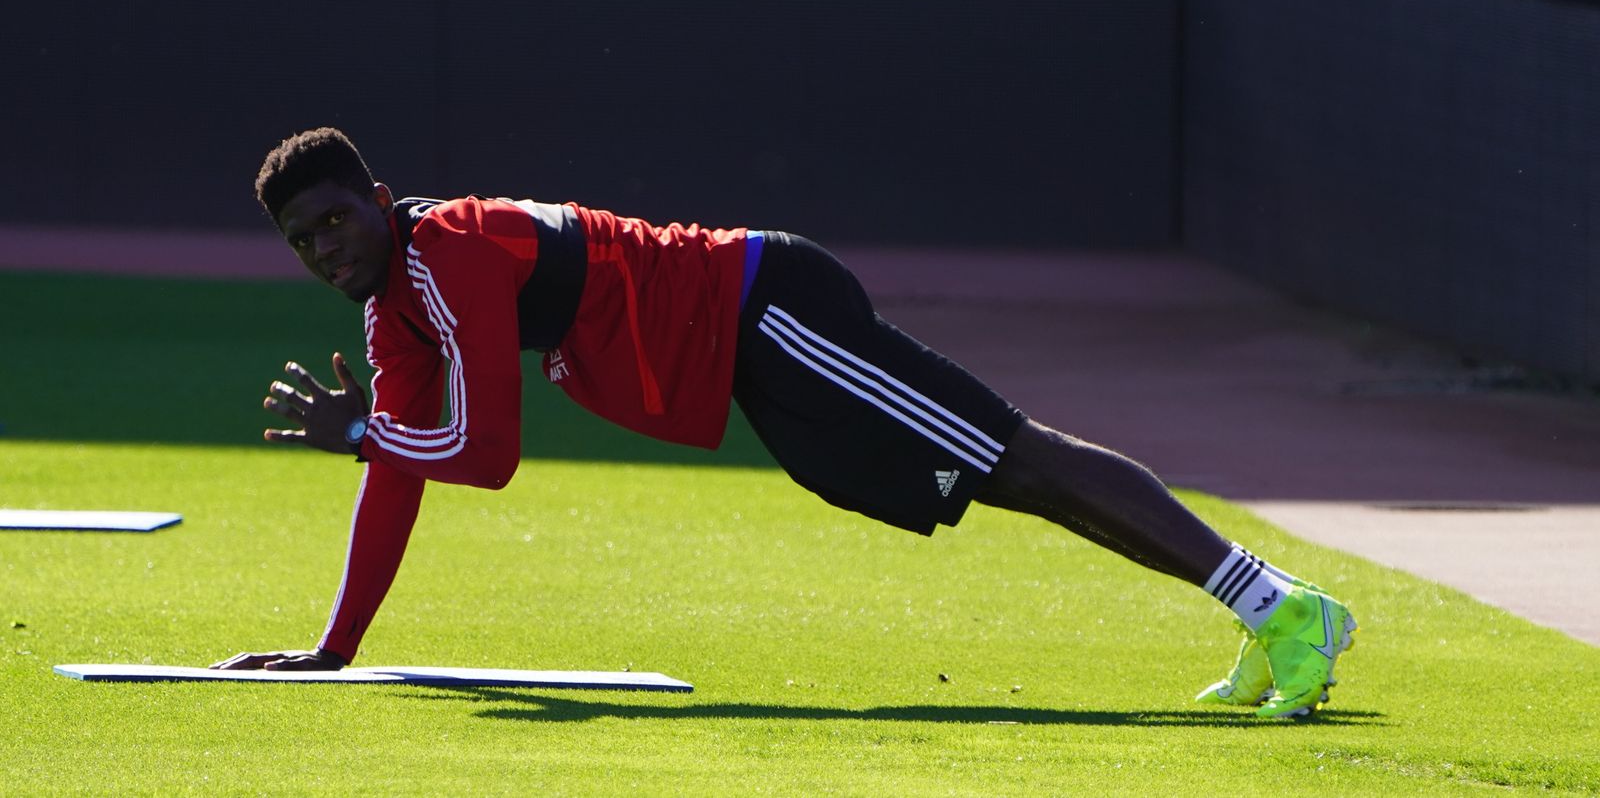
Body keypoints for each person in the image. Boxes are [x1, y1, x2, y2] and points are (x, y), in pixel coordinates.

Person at [211, 127, 1357, 718]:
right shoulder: (395, 310)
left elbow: (487, 457)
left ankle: (1281, 607)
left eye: (332, 222)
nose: (326, 252)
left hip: (766, 314)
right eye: (303, 244)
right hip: (745, 361)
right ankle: (1269, 615)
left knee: (1014, 457)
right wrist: (338, 645)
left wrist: (361, 434)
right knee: (995, 476)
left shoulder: (447, 254)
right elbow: (408, 471)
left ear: (375, 198)